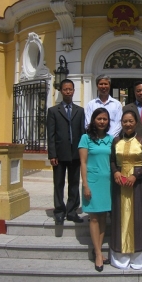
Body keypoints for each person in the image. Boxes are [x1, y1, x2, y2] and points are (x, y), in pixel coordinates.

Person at [110, 110, 142, 270]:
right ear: (121, 123)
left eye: (130, 121)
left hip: (138, 185)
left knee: (138, 217)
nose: (127, 124)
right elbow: (112, 160)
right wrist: (116, 172)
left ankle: (138, 258)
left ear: (136, 123)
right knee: (119, 218)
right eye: (124, 121)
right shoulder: (116, 141)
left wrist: (137, 175)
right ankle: (120, 257)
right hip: (119, 184)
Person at [78, 108, 113, 272]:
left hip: (107, 183)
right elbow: (83, 163)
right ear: (93, 120)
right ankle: (99, 253)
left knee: (103, 217)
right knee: (93, 218)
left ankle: (97, 249)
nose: (102, 121)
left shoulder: (110, 139)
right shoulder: (85, 138)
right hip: (92, 182)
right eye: (99, 118)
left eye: (105, 119)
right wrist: (85, 184)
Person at [47, 79, 85, 225]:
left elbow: (83, 133)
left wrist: (83, 153)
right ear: (61, 91)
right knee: (58, 183)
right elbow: (50, 135)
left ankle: (72, 210)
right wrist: (52, 154)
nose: (68, 92)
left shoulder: (80, 111)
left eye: (70, 89)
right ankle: (59, 211)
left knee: (74, 182)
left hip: (75, 153)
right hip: (59, 154)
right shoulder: (53, 111)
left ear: (73, 91)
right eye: (65, 89)